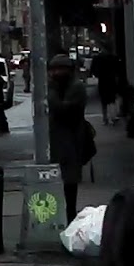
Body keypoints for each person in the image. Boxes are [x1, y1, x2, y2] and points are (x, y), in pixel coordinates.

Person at [47, 54, 88, 216]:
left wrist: (52, 92)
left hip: (71, 142)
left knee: (70, 185)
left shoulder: (75, 88)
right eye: (54, 69)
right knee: (62, 183)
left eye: (60, 69)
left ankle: (70, 216)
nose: (56, 73)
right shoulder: (60, 87)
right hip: (59, 142)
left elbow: (62, 110)